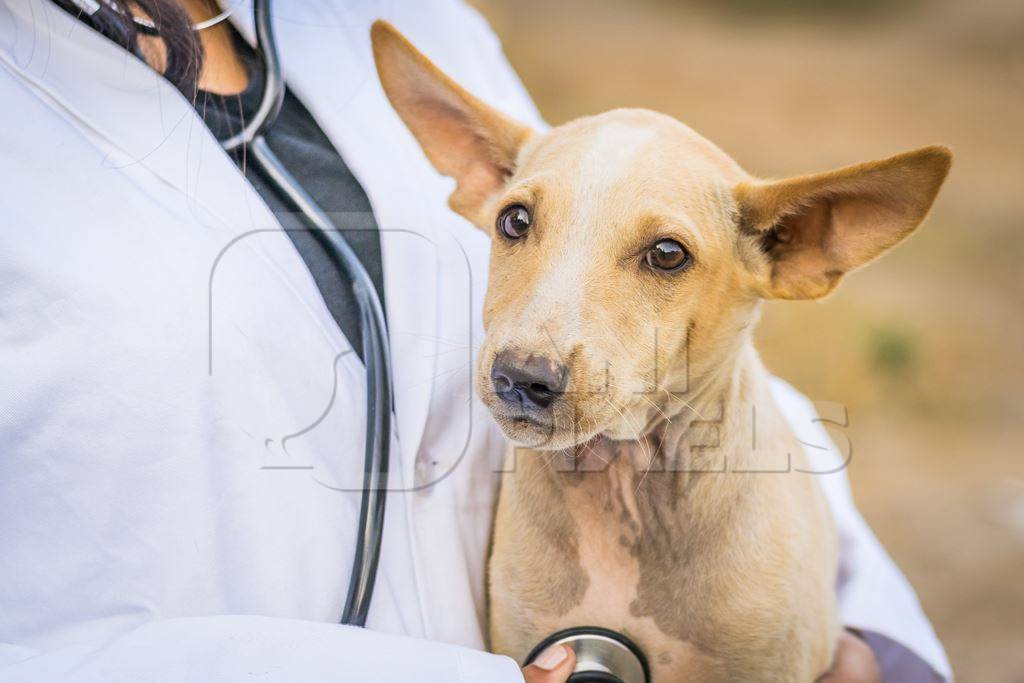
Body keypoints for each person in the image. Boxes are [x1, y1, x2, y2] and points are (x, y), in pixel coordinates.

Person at [0, 1, 951, 680]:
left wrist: (865, 648)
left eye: (659, 254)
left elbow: (719, 373)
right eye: (515, 220)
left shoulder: (410, 17)